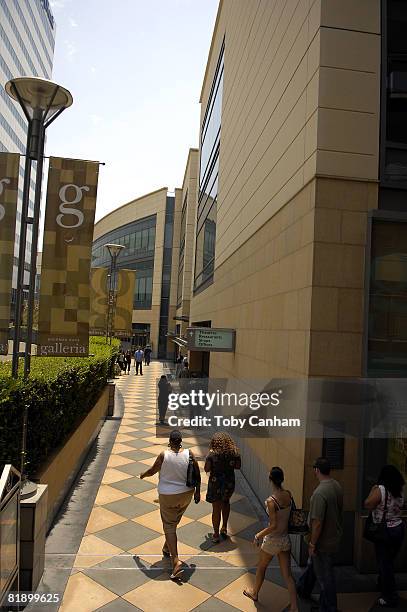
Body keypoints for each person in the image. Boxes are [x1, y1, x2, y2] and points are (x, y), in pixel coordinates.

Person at [139, 430, 201, 579]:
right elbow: (198, 474)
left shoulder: (164, 455)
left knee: (169, 525)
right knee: (174, 522)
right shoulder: (189, 454)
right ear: (180, 441)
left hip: (168, 496)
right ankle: (167, 548)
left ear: (170, 441)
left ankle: (175, 561)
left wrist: (143, 475)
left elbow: (152, 471)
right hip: (186, 494)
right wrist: (198, 492)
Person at [243, 466, 298, 611]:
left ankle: (254, 593)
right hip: (285, 539)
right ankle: (294, 606)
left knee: (261, 567)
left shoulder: (271, 501)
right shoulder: (288, 494)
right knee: (287, 575)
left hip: (272, 540)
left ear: (270, 480)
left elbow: (273, 525)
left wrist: (258, 535)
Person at [364, 464, 405, 608]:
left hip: (385, 531)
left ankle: (390, 596)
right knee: (389, 560)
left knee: (385, 563)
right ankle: (382, 583)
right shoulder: (400, 490)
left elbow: (368, 504)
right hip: (399, 528)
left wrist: (372, 490)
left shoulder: (381, 489)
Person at [307, 457, 343, 612]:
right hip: (334, 537)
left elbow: (317, 523)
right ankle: (322, 604)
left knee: (324, 577)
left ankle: (329, 608)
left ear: (316, 470)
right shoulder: (337, 486)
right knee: (318, 570)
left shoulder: (319, 493)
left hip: (323, 543)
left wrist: (312, 544)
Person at [204, 432, 241, 543]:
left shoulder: (212, 454)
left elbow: (206, 469)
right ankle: (224, 527)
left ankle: (215, 534)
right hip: (229, 483)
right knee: (226, 503)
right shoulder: (234, 453)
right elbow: (238, 466)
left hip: (215, 484)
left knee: (216, 509)